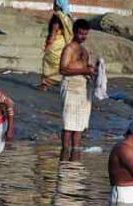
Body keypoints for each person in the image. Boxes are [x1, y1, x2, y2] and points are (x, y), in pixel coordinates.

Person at [59, 18, 94, 152]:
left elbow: (84, 67)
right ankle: (64, 154)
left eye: (85, 34)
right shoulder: (69, 48)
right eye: (80, 33)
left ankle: (75, 157)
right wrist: (85, 70)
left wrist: (91, 69)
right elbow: (62, 69)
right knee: (69, 124)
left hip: (83, 88)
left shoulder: (84, 50)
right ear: (74, 32)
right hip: (71, 86)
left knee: (79, 125)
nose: (83, 36)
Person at [39, 0, 74, 91]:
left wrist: (47, 44)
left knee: (47, 63)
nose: (53, 5)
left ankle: (45, 84)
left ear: (58, 5)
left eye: (54, 3)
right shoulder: (68, 17)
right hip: (63, 44)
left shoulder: (57, 17)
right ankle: (61, 83)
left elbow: (53, 32)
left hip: (55, 45)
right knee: (60, 64)